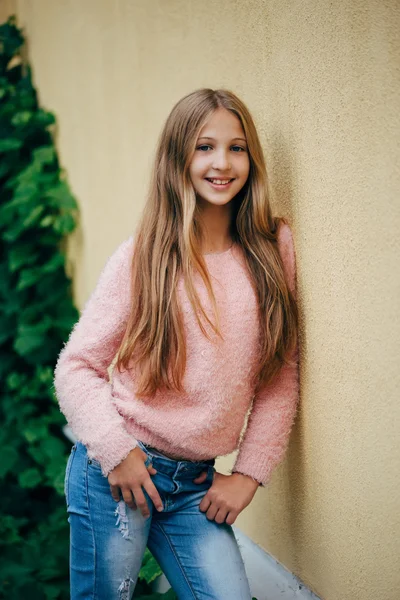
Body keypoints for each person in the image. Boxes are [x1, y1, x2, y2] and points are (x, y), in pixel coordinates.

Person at [54, 88, 299, 600]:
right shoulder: (145, 258)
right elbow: (76, 366)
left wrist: (248, 476)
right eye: (204, 147)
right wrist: (117, 452)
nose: (222, 163)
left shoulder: (271, 253)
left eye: (237, 148)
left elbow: (280, 375)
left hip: (195, 489)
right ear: (178, 158)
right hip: (117, 471)